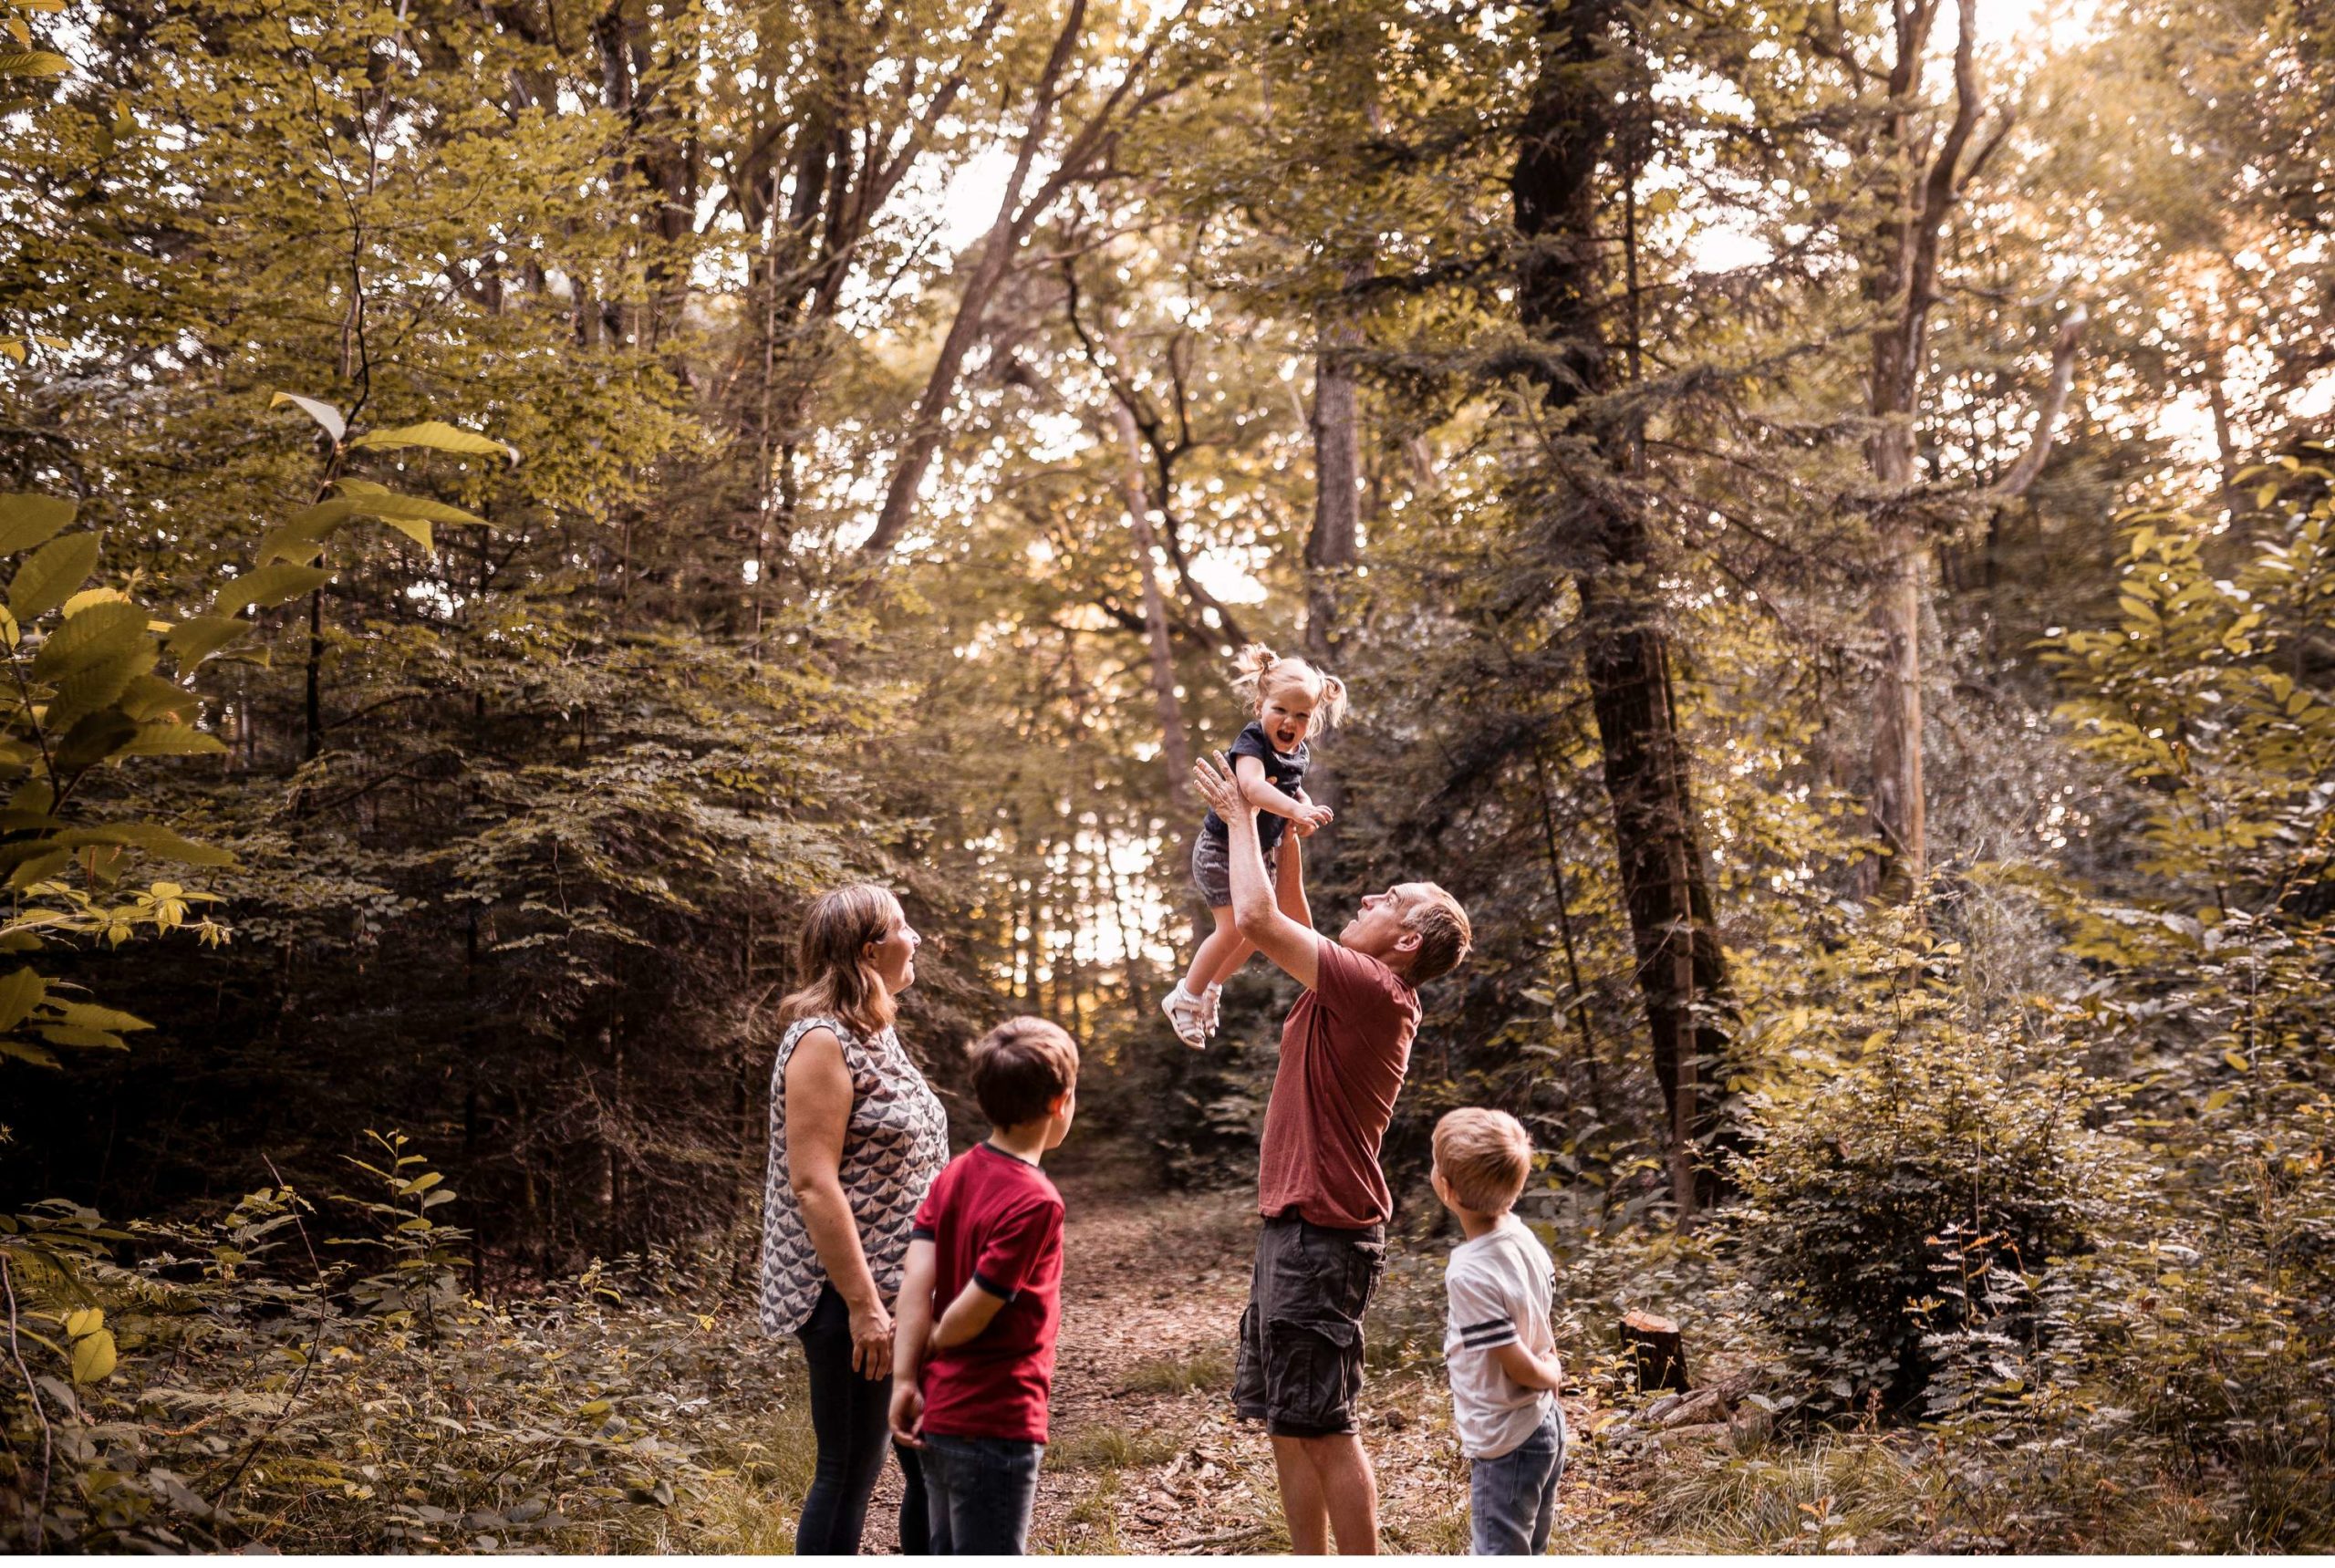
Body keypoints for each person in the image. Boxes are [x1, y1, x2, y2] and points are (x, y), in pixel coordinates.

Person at [1187, 750, 1474, 1555]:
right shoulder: (1353, 979)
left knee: (1325, 1423)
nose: (1369, 897)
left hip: (1325, 1235)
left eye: (1388, 899)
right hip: (1295, 1227)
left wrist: (1243, 815)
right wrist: (1283, 825)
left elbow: (1255, 919)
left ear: (1407, 938)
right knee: (1289, 1419)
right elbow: (1287, 903)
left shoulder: (1376, 991)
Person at [759, 883, 950, 1555]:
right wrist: (867, 1307)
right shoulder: (820, 1041)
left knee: (930, 1461)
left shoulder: (876, 1030)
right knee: (848, 1472)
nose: (916, 937)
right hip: (849, 1299)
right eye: (904, 926)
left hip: (906, 1294)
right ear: (872, 949)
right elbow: (813, 1183)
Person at [887, 1017, 1078, 1555]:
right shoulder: (1037, 1201)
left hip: (940, 1412)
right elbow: (972, 1313)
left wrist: (906, 1377)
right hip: (997, 1419)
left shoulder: (954, 1174)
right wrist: (932, 1341)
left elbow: (915, 1283)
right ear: (1060, 1103)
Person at [1160, 643, 1346, 1047]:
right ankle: (1184, 996)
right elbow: (1253, 787)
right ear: (1260, 705)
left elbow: (1291, 791)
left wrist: (1305, 808)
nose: (1289, 722)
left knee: (1254, 933)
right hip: (1222, 851)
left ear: (1311, 721)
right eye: (1280, 709)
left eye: (1302, 716)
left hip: (1258, 855)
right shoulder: (1252, 742)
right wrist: (1295, 813)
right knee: (1230, 930)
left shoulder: (1298, 753)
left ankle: (1211, 987)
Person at [1431, 1108, 1566, 1556]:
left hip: (1507, 1439)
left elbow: (1517, 1363)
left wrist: (1552, 1374)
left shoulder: (1469, 1271)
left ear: (1447, 1190)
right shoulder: (1522, 1237)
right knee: (1530, 1547)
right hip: (1544, 1425)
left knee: (1499, 1553)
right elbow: (1540, 1313)